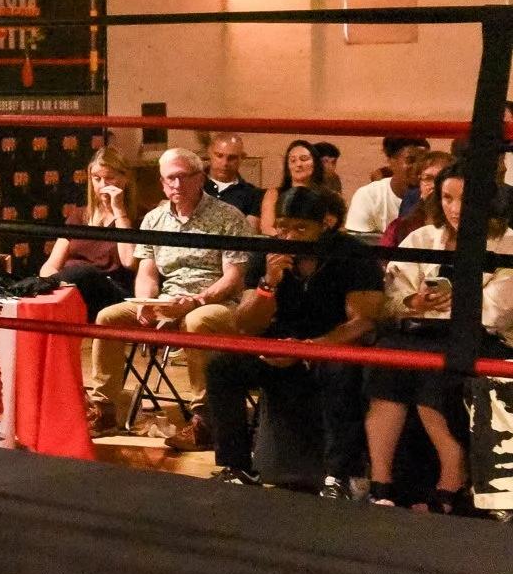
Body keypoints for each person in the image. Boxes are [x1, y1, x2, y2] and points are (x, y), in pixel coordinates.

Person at [208, 187, 379, 493]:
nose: (290, 237)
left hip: (331, 345)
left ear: (325, 225)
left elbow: (363, 320)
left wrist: (312, 347)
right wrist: (267, 285)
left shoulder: (352, 254)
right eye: (284, 227)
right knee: (223, 366)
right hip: (281, 343)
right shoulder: (269, 254)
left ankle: (339, 475)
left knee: (339, 372)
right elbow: (246, 325)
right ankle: (237, 466)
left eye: (301, 228)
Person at [83, 148, 255, 445]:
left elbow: (233, 277)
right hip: (168, 300)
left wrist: (198, 300)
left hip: (215, 302)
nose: (174, 185)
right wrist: (146, 304)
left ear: (199, 178)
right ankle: (106, 409)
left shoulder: (228, 217)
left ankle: (206, 420)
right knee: (107, 318)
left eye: (180, 177)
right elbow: (147, 273)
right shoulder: (154, 219)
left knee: (197, 321)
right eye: (167, 179)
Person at [371, 162, 513, 511]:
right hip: (420, 332)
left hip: (483, 339)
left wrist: (455, 302)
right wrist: (413, 301)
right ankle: (381, 482)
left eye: (463, 199)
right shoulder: (421, 237)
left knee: (433, 371)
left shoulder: (507, 242)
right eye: (447, 198)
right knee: (385, 363)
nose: (454, 208)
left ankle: (451, 480)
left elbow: (498, 311)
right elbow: (390, 296)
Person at [38, 146, 139, 331]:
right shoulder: (78, 216)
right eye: (97, 178)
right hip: (69, 289)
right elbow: (51, 265)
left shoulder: (138, 217)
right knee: (68, 278)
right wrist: (49, 286)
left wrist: (118, 210)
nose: (103, 185)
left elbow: (129, 261)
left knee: (82, 273)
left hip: (112, 292)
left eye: (110, 178)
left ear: (125, 179)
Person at [344, 136, 429, 241]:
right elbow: (360, 244)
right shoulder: (369, 195)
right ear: (391, 162)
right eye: (410, 160)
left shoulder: (435, 197)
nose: (419, 166)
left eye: (424, 161)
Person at [258, 139, 322, 235]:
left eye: (304, 159)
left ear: (315, 163)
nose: (298, 164)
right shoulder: (274, 194)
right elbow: (267, 228)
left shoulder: (325, 195)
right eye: (293, 160)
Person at [203, 133, 264, 219]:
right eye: (219, 156)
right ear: (209, 153)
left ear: (242, 158)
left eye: (232, 158)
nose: (225, 163)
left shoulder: (253, 195)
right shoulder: (192, 184)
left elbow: (250, 230)